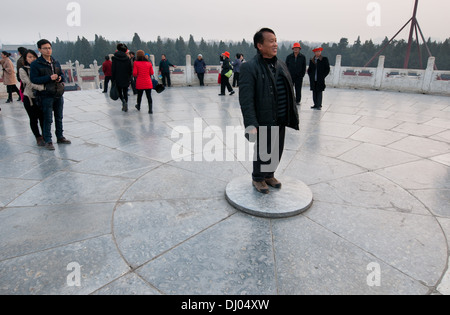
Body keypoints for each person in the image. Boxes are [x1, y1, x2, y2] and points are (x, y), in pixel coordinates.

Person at [239, 28, 299, 194]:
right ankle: (258, 178)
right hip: (263, 117)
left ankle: (269, 174)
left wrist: (290, 114)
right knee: (263, 150)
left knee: (277, 148)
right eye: (271, 41)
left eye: (276, 40)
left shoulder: (281, 64)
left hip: (280, 116)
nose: (275, 44)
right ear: (260, 45)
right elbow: (246, 100)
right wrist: (251, 123)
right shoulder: (249, 67)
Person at [30, 39, 71, 150]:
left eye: (49, 48)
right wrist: (49, 78)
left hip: (58, 92)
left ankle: (60, 136)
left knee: (59, 117)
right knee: (47, 118)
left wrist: (59, 78)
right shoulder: (36, 64)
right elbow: (33, 79)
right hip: (46, 94)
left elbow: (62, 75)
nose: (48, 50)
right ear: (39, 49)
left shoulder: (55, 62)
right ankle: (48, 140)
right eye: (45, 48)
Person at [19, 49, 45, 146]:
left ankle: (45, 135)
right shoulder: (23, 70)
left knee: (43, 118)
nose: (32, 59)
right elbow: (28, 83)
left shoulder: (39, 67)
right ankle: (38, 137)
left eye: (34, 57)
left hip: (41, 97)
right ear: (25, 58)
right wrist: (42, 87)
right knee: (33, 119)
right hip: (29, 97)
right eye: (30, 57)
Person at [112, 43, 132, 112]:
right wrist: (129, 78)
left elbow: (113, 69)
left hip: (118, 77)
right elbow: (130, 69)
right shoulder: (127, 59)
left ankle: (123, 101)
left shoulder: (114, 58)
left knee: (120, 92)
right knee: (125, 92)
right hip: (126, 77)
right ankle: (126, 104)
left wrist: (113, 79)